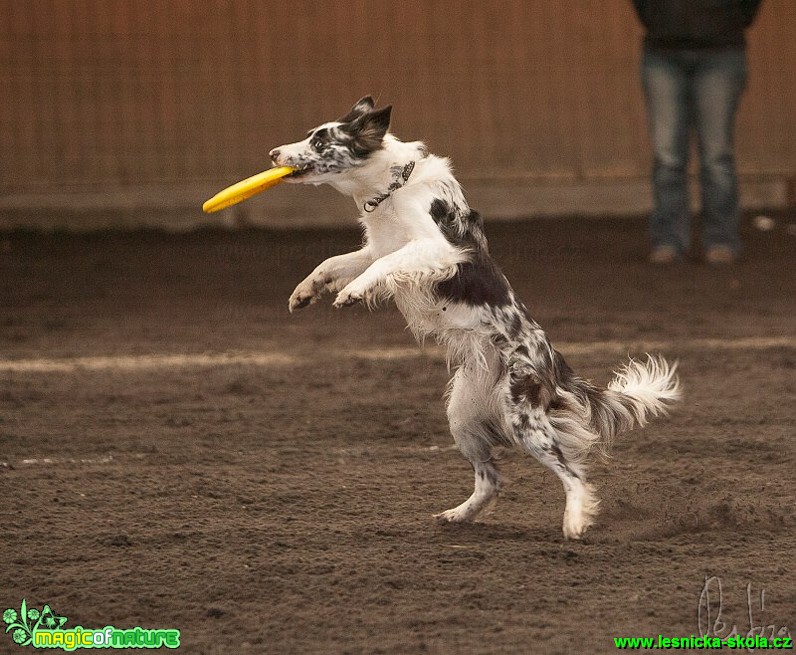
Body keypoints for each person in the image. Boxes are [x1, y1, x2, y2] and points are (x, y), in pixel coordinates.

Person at [631, 0, 763, 264]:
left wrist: (729, 22)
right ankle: (668, 240)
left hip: (721, 51)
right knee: (667, 155)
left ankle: (721, 239)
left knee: (716, 155)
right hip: (663, 51)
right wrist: (658, 20)